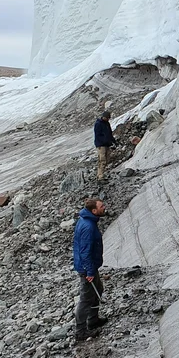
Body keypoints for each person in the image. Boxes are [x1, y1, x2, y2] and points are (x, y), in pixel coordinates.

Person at [73, 198, 108, 341]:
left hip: (90, 266)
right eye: (102, 206)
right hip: (87, 268)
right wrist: (90, 272)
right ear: (94, 210)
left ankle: (93, 320)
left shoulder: (88, 221)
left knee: (97, 290)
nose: (104, 207)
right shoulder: (88, 227)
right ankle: (80, 331)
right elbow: (85, 252)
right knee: (86, 299)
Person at [94, 111, 116, 180]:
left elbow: (110, 133)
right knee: (102, 160)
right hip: (101, 145)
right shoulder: (98, 124)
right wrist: (105, 140)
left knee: (106, 160)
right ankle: (100, 176)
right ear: (104, 117)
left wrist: (113, 141)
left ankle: (100, 174)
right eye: (107, 118)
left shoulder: (107, 124)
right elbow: (98, 135)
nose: (108, 119)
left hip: (107, 144)